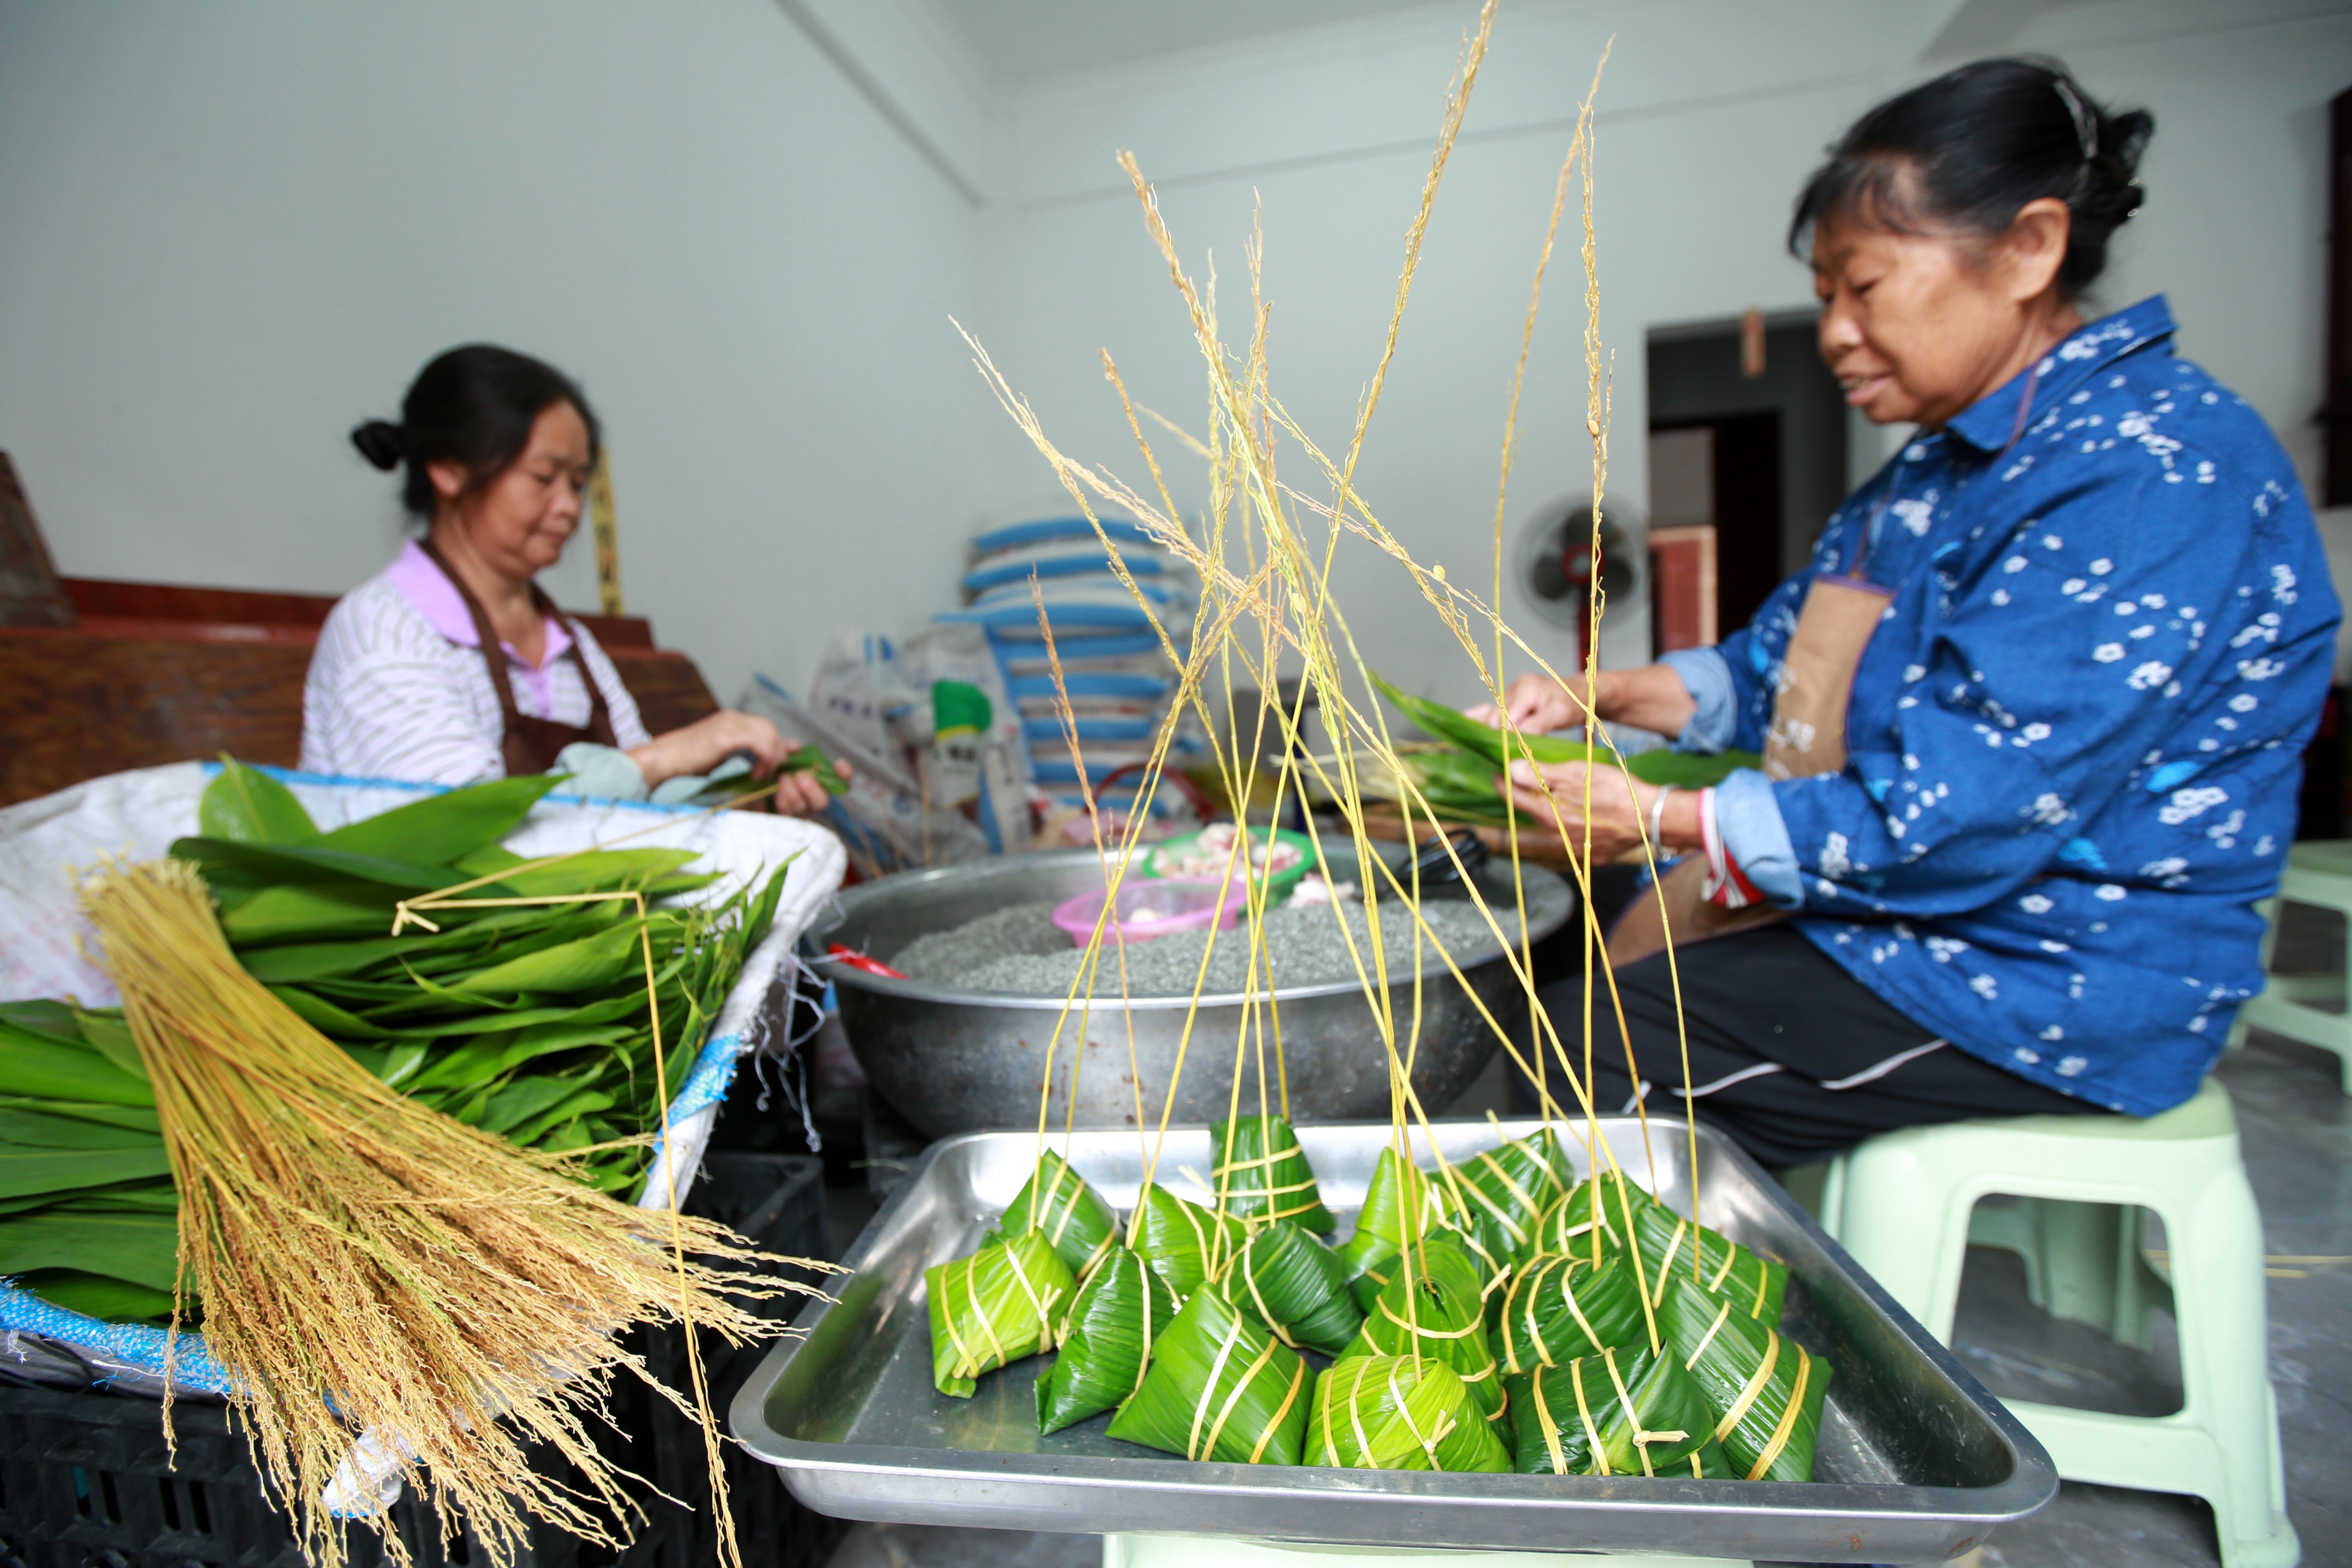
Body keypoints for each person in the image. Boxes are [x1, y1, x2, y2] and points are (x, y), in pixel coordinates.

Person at [1470, 58, 2339, 1167]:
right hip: (1910, 916)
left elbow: (1961, 816)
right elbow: (1782, 671)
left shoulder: (2146, 469)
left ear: (2029, 249)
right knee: (1553, 934)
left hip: (2039, 975)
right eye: (1827, 293)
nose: (1834, 330)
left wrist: (1662, 816)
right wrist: (1609, 695)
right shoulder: (1930, 479)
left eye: (1865, 286)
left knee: (1570, 1049)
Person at [302, 345, 837, 813]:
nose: (568, 507)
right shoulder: (385, 629)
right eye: (544, 478)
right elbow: (461, 829)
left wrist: (751, 789)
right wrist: (667, 755)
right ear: (449, 469)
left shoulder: (570, 646)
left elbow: (639, 800)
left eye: (578, 483)